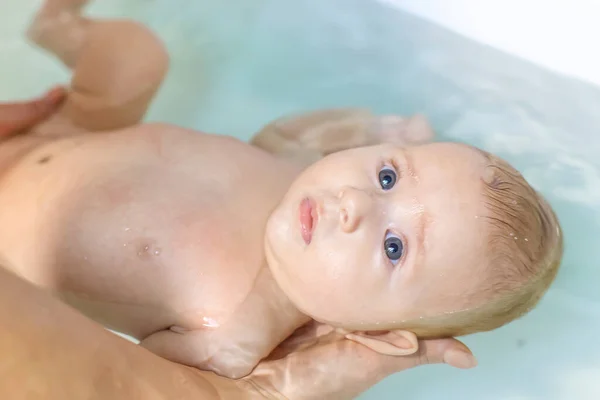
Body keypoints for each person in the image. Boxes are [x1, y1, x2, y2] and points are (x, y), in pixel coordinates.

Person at [1, 0, 561, 383]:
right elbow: (288, 133)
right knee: (134, 57)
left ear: (382, 334)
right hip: (64, 128)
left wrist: (231, 365)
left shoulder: (233, 333)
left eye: (394, 247)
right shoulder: (296, 171)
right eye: (388, 176)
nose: (354, 205)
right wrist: (366, 126)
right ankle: (55, 27)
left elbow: (133, 373)